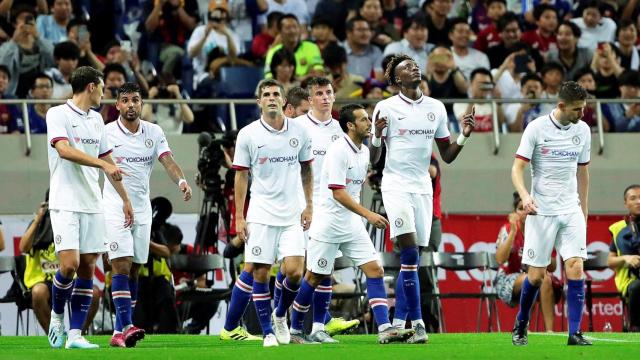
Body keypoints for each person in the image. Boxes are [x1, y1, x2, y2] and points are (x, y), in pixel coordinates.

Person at [369, 54, 476, 343]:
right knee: (411, 253)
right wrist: (377, 137)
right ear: (396, 79)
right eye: (407, 67)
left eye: (415, 65)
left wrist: (464, 135)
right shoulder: (386, 107)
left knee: (412, 262)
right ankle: (418, 324)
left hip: (423, 189)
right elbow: (374, 159)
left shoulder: (436, 108)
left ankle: (399, 321)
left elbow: (447, 156)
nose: (414, 68)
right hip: (395, 186)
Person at [288, 103, 415, 344]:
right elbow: (338, 192)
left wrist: (377, 135)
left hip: (351, 225)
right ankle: (295, 330)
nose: (368, 122)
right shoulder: (338, 150)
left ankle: (385, 328)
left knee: (375, 270)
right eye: (364, 120)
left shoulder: (364, 150)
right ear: (350, 125)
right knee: (315, 277)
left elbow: (364, 175)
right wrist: (368, 214)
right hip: (328, 223)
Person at [46, 66, 133, 349]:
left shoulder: (97, 120)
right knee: (68, 265)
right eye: (104, 87)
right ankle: (57, 316)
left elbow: (110, 164)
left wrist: (125, 199)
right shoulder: (58, 114)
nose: (105, 94)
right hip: (66, 201)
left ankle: (74, 335)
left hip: (93, 204)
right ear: (92, 87)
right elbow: (63, 150)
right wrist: (102, 164)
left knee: (87, 268)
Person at [103, 82, 192, 347]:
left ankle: (119, 332)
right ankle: (128, 326)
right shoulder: (106, 133)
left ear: (142, 104)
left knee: (134, 270)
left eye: (136, 100)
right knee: (121, 263)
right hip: (115, 206)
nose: (131, 105)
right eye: (126, 100)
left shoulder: (154, 131)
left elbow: (167, 160)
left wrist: (182, 182)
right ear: (117, 104)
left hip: (142, 209)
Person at [231, 79, 313, 347]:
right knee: (261, 272)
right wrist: (239, 216)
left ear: (283, 100)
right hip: (261, 213)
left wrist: (309, 204)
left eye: (276, 93)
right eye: (266, 94)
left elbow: (307, 170)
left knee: (295, 272)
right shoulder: (248, 134)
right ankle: (267, 331)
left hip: (292, 213)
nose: (271, 98)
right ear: (259, 101)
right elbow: (241, 176)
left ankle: (280, 316)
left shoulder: (299, 132)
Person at [511, 81, 591, 346]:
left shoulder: (584, 131)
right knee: (536, 276)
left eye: (584, 108)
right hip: (542, 212)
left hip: (571, 210)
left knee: (576, 268)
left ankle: (575, 332)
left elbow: (583, 172)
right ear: (561, 106)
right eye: (577, 109)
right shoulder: (536, 128)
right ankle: (521, 322)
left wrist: (584, 211)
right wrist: (525, 196)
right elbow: (517, 169)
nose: (582, 114)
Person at [19, 192, 100, 334]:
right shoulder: (37, 225)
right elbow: (23, 248)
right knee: (38, 293)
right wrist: (38, 219)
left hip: (71, 278)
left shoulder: (73, 223)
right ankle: (55, 334)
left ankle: (78, 333)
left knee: (94, 292)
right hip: (44, 281)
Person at [495, 192, 559, 332]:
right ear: (514, 212)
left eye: (528, 208)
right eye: (520, 208)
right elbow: (500, 259)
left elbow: (553, 266)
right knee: (530, 279)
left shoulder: (541, 230)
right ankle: (524, 327)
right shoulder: (507, 229)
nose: (525, 212)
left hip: (536, 276)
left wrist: (542, 244)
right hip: (508, 279)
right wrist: (512, 232)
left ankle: (550, 331)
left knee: (545, 279)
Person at [607, 184, 640, 332]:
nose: (638, 201)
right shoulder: (619, 228)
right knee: (637, 287)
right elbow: (610, 261)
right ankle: (636, 328)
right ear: (626, 203)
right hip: (631, 279)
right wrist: (626, 258)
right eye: (633, 198)